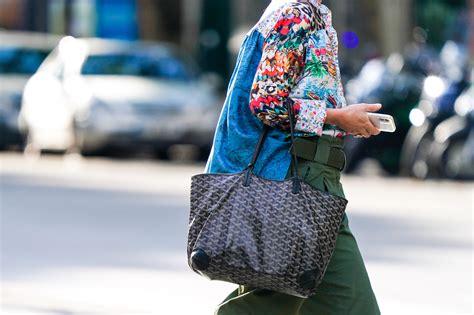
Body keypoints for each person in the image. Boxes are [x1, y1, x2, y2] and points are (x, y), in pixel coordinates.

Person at [204, 0, 381, 314]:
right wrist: (338, 117)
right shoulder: (295, 14)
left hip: (319, 181)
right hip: (294, 179)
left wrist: (343, 120)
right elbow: (267, 102)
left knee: (352, 307)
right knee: (267, 305)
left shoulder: (312, 14)